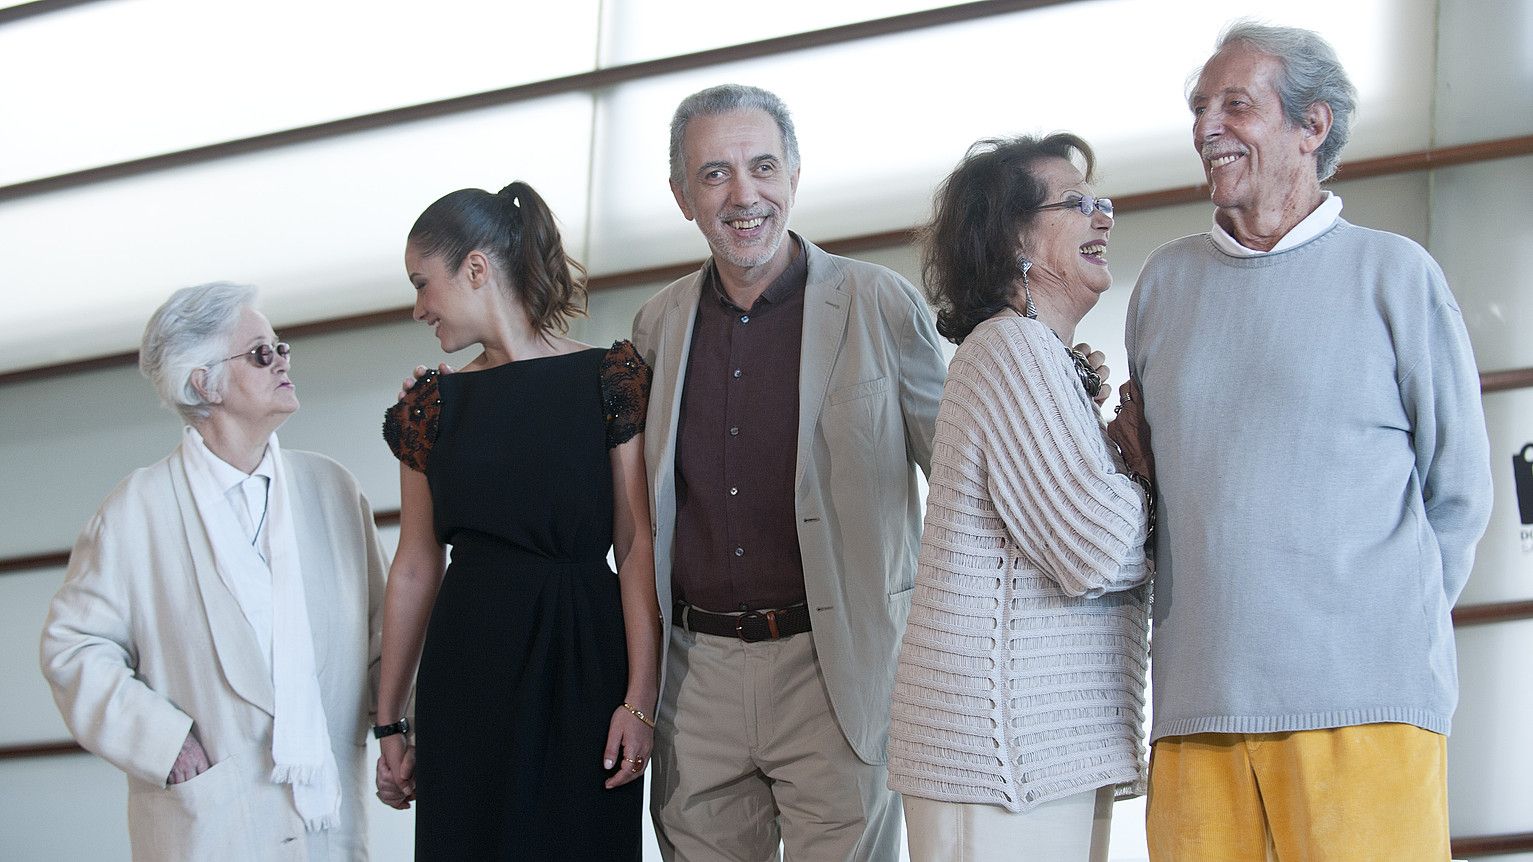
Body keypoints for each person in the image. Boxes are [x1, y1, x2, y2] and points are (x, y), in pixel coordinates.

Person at [1122, 21, 1494, 859]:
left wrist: (1384, 634)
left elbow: (1459, 491)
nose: (1205, 127)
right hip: (1195, 709)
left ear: (1311, 127)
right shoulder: (1162, 285)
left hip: (1367, 706)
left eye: (1235, 105)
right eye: (1198, 108)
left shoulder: (1394, 274)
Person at [629, 83, 947, 861]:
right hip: (694, 679)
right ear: (682, 197)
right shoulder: (656, 326)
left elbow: (960, 473)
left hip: (837, 668)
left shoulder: (880, 303)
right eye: (714, 175)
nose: (745, 195)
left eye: (763, 167)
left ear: (794, 177)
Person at [40, 282, 387, 861]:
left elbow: (382, 641)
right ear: (204, 382)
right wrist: (161, 741)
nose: (281, 361)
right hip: (208, 829)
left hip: (326, 826)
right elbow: (71, 648)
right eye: (259, 353)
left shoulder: (332, 490)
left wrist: (402, 733)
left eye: (280, 347)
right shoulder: (136, 510)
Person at [887, 133, 1154, 862]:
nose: (1102, 219)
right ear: (1012, 240)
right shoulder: (1011, 351)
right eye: (1076, 205)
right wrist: (1138, 465)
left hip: (1038, 753)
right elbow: (1095, 553)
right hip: (998, 760)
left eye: (1101, 202)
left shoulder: (1036, 357)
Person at [375, 179, 659, 860]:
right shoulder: (429, 406)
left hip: (586, 665)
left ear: (475, 268)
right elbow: (415, 564)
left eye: (423, 283)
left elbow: (636, 542)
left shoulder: (609, 377)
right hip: (467, 670)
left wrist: (640, 699)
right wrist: (389, 723)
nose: (417, 308)